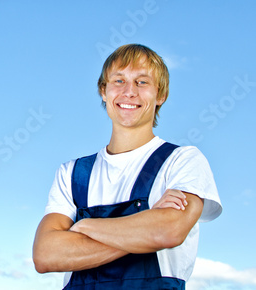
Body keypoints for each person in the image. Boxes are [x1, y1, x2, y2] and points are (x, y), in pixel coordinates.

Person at [32, 44, 222, 289]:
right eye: (119, 80)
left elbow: (168, 232)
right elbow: (46, 255)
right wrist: (145, 225)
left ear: (160, 95)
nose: (129, 92)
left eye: (142, 82)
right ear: (104, 91)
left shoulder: (182, 161)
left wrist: (83, 227)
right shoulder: (71, 173)